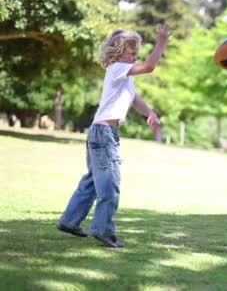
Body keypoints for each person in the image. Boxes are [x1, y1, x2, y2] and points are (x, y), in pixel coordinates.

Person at [55, 24, 170, 248]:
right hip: (103, 133)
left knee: (91, 182)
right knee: (109, 184)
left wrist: (151, 113)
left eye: (136, 53)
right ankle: (103, 230)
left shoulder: (124, 75)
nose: (134, 57)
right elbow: (149, 66)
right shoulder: (117, 68)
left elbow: (135, 98)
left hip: (103, 133)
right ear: (118, 52)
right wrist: (162, 43)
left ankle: (69, 222)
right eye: (131, 52)